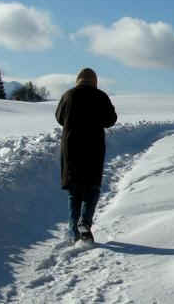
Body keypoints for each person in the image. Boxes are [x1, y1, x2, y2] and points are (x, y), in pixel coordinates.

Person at [55, 68, 118, 242]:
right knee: (92, 187)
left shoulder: (68, 95)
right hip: (93, 147)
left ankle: (73, 231)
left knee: (74, 190)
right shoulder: (100, 96)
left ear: (78, 80)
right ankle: (85, 221)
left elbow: (59, 117)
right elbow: (111, 120)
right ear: (94, 81)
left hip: (70, 147)